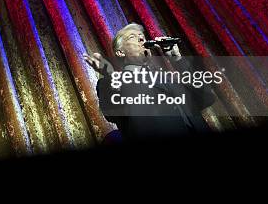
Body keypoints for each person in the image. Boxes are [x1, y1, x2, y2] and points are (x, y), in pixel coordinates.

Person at [83, 23, 216, 141]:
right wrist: (110, 74)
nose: (142, 39)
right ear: (120, 52)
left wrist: (178, 60)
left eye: (142, 36)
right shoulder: (108, 83)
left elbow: (206, 97)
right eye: (132, 37)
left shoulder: (167, 79)